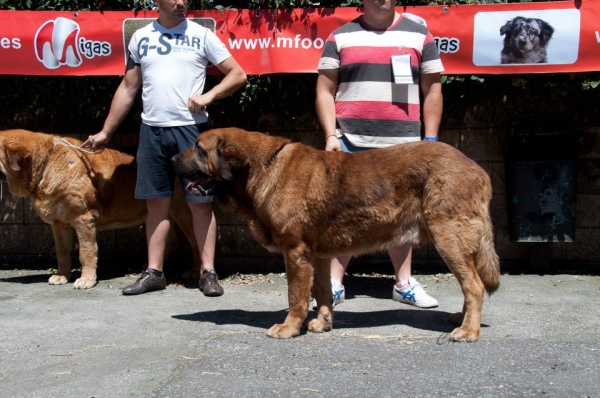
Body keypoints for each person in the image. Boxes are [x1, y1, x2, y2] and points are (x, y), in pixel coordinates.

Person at [83, 0, 247, 296]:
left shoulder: (201, 35)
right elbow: (128, 87)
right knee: (155, 204)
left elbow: (237, 74)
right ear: (157, 2)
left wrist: (209, 96)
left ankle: (208, 272)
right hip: (152, 131)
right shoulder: (141, 37)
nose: (181, 2)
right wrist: (106, 131)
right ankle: (154, 273)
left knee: (199, 202)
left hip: (191, 132)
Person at [315, 1, 443, 308]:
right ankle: (333, 284)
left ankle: (404, 284)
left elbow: (433, 90)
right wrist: (331, 135)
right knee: (345, 215)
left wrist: (431, 139)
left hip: (405, 147)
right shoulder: (340, 36)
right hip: (351, 143)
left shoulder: (420, 35)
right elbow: (324, 90)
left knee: (403, 215)